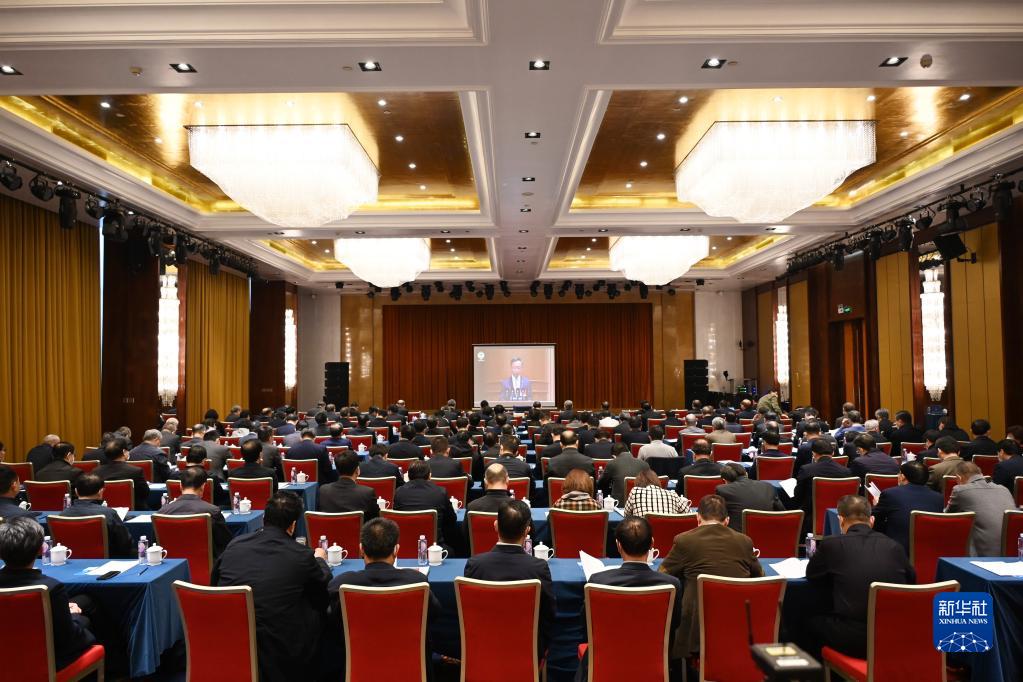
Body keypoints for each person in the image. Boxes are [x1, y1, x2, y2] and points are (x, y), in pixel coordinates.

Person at [213, 492, 330, 681]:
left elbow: (215, 586)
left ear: (263, 519)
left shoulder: (235, 545)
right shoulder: (301, 555)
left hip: (230, 638)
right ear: (293, 526)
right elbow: (321, 598)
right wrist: (320, 560)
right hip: (281, 649)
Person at [323, 518, 442, 680]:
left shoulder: (341, 584)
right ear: (396, 550)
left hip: (359, 668)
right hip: (410, 668)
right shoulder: (416, 581)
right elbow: (434, 614)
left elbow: (333, 622)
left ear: (361, 550)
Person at [802, 495, 914, 658]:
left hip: (853, 638)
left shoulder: (831, 544)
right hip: (892, 634)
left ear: (840, 520)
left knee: (804, 618)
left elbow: (812, 577)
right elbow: (911, 582)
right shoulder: (894, 547)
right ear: (872, 520)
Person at [577, 516, 682, 680]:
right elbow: (673, 626)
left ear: (618, 545)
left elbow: (586, 627)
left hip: (606, 666)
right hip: (653, 665)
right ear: (652, 544)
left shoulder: (598, 582)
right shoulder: (672, 584)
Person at [659, 495, 762, 659]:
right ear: (727, 520)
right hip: (737, 622)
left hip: (696, 629)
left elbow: (662, 576)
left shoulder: (685, 541)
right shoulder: (745, 541)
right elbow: (760, 577)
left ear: (698, 517)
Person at [0, 517, 98, 670]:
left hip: (5, 657)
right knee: (85, 618)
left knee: (83, 600)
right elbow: (68, 639)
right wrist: (73, 616)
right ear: (41, 550)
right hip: (48, 661)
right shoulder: (51, 588)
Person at [464, 500, 555, 656]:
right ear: (527, 531)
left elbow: (470, 615)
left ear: (496, 526)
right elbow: (549, 613)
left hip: (483, 648)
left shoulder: (475, 565)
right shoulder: (538, 568)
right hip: (528, 650)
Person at [870, 460, 943, 554]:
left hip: (897, 550)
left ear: (903, 477)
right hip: (929, 550)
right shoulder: (939, 498)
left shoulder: (890, 494)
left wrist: (876, 505)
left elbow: (875, 521)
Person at [157, 466, 234, 556]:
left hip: (171, 563)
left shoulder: (162, 513)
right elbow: (226, 543)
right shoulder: (212, 511)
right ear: (203, 487)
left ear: (180, 486)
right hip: (206, 562)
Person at [945, 461, 1016, 556]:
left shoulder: (960, 490)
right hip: (1014, 552)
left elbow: (947, 519)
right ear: (981, 474)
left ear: (959, 477)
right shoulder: (1004, 489)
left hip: (983, 555)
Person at [58, 474, 134, 556]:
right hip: (106, 560)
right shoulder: (109, 513)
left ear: (76, 491)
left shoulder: (62, 515)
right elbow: (125, 544)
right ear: (100, 492)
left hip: (70, 559)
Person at [393, 461, 459, 552]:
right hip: (434, 549)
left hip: (403, 548)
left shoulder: (399, 492)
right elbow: (451, 519)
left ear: (408, 476)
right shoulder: (440, 492)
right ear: (429, 476)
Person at [793, 438, 853, 534]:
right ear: (833, 453)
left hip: (810, 520)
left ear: (813, 453)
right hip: (840, 519)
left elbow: (798, 497)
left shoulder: (806, 470)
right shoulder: (846, 472)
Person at [715, 463, 784, 531]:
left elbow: (719, 516)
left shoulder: (722, 490)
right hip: (769, 532)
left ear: (725, 480)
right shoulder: (768, 486)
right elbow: (782, 511)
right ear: (746, 474)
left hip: (739, 535)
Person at [318, 451, 379, 521]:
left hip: (330, 528)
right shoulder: (367, 493)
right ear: (357, 470)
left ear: (337, 470)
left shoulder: (323, 490)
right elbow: (376, 519)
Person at [94, 438, 149, 511]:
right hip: (132, 511)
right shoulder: (135, 471)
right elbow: (145, 493)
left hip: (104, 510)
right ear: (124, 452)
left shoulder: (96, 471)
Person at [623, 469, 689, 517]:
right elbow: (688, 513)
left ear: (638, 483)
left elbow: (626, 515)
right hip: (669, 531)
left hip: (643, 532)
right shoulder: (673, 494)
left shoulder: (635, 491)